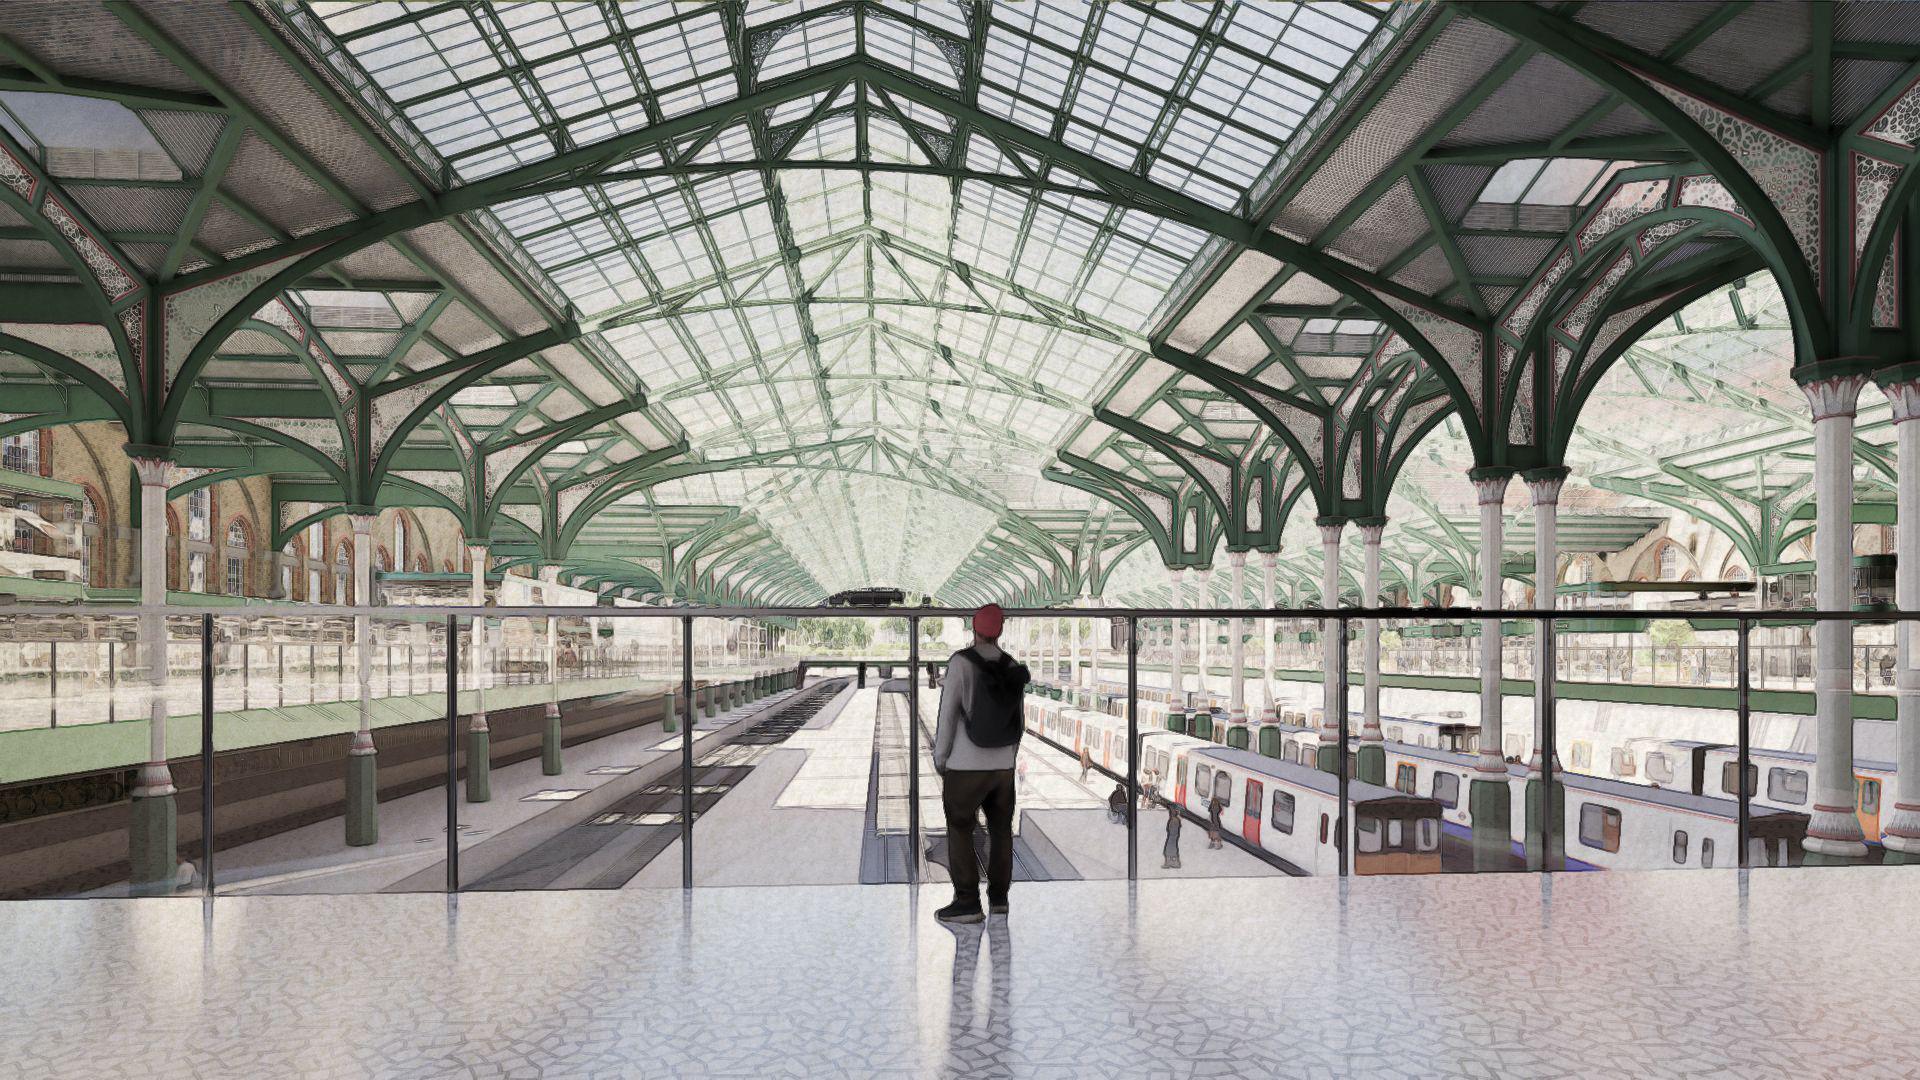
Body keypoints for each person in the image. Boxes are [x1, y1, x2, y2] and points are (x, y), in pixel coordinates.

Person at [933, 603, 1031, 925]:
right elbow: (1019, 721)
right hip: (1002, 768)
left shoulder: (961, 663)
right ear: (999, 632)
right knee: (1001, 831)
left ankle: (967, 903)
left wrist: (941, 756)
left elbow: (948, 714)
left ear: (974, 630)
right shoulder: (1012, 666)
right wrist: (1009, 758)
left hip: (965, 766)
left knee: (960, 828)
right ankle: (1000, 899)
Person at [1161, 798, 1182, 870]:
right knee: (1169, 849)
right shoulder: (1174, 819)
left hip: (1172, 837)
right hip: (1172, 837)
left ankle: (1173, 862)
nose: (1170, 812)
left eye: (1171, 811)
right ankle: (1171, 862)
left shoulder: (1174, 820)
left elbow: (1172, 830)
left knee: (1169, 849)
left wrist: (1170, 833)